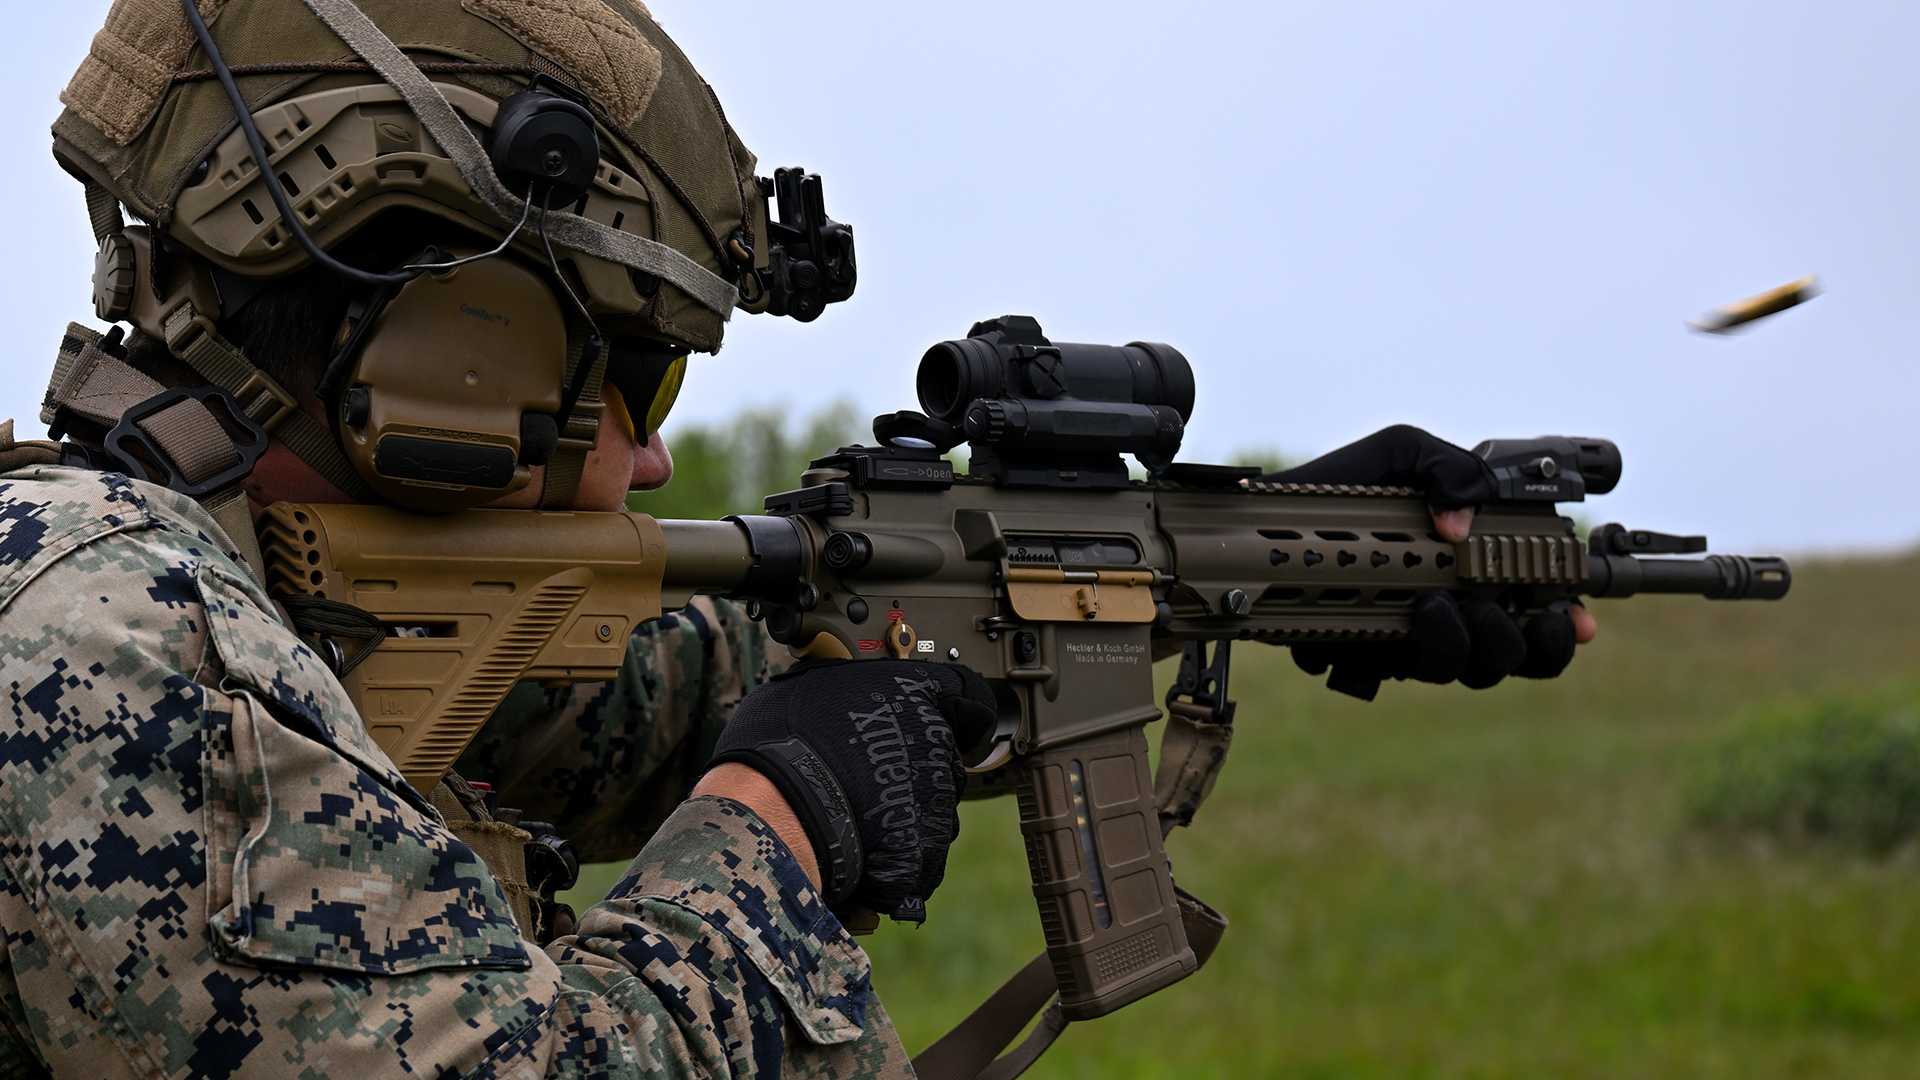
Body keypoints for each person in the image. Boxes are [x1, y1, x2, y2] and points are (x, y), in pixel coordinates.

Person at [0, 2, 1591, 1078]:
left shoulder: (221, 577)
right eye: (638, 377)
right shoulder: (109, 637)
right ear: (450, 355)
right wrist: (779, 821)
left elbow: (683, 684)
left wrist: (1270, 561)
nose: (654, 452)